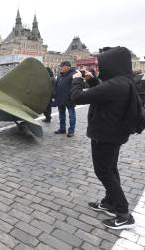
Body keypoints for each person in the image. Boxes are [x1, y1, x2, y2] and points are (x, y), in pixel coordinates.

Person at [71, 46, 135, 229]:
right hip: (114, 133)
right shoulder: (122, 81)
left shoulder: (115, 85)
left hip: (105, 134)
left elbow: (77, 98)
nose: (100, 67)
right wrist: (92, 80)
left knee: (104, 172)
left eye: (102, 64)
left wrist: (76, 80)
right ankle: (110, 202)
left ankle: (123, 213)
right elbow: (102, 92)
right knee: (111, 169)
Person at [54, 61, 77, 137]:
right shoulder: (60, 76)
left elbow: (76, 87)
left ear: (67, 67)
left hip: (69, 99)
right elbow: (56, 86)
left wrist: (72, 96)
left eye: (62, 66)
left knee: (71, 116)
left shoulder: (73, 74)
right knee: (61, 115)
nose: (61, 68)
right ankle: (62, 129)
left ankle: (71, 131)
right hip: (60, 99)